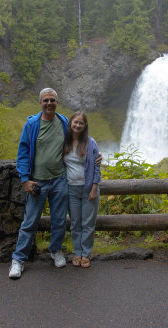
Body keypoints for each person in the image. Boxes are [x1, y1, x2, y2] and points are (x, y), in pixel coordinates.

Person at [9, 88, 69, 279]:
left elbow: (77, 143)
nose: (49, 103)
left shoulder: (63, 122)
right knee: (30, 222)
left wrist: (95, 153)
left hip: (60, 179)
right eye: (45, 100)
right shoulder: (32, 124)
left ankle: (55, 250)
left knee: (59, 220)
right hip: (38, 182)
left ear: (57, 102)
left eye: (52, 100)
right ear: (40, 103)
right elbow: (23, 153)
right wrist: (25, 179)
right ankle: (18, 260)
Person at [63, 111, 101, 268]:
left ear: (85, 126)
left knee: (88, 224)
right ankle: (77, 252)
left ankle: (86, 254)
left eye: (81, 123)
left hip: (88, 190)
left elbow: (96, 168)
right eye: (75, 122)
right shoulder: (64, 142)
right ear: (70, 123)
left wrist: (94, 188)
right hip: (71, 188)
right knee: (75, 224)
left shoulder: (90, 143)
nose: (77, 125)